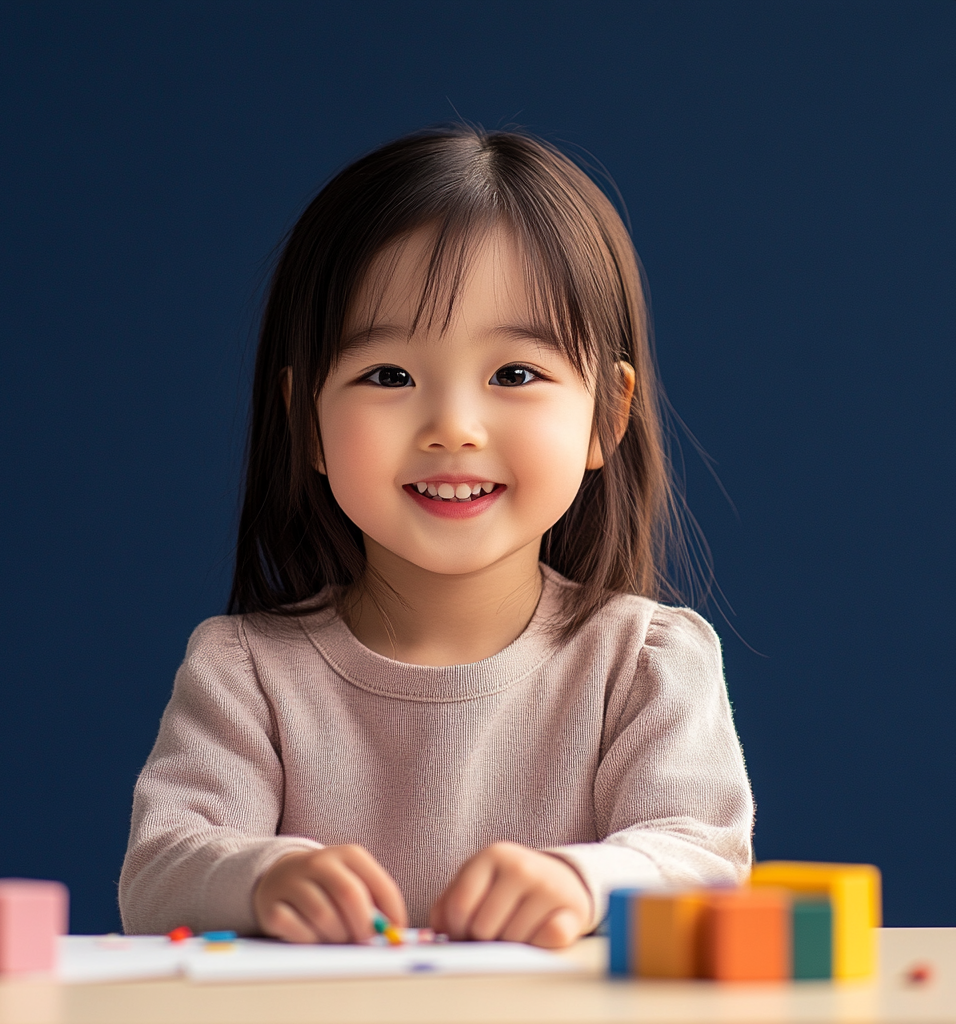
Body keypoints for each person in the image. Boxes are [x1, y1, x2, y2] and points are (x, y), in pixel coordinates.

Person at [119, 127, 753, 949]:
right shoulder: (244, 672)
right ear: (304, 421)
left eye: (515, 375)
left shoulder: (646, 663)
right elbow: (159, 873)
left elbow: (703, 856)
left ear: (610, 414)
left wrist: (583, 881)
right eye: (388, 376)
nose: (453, 428)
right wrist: (265, 877)